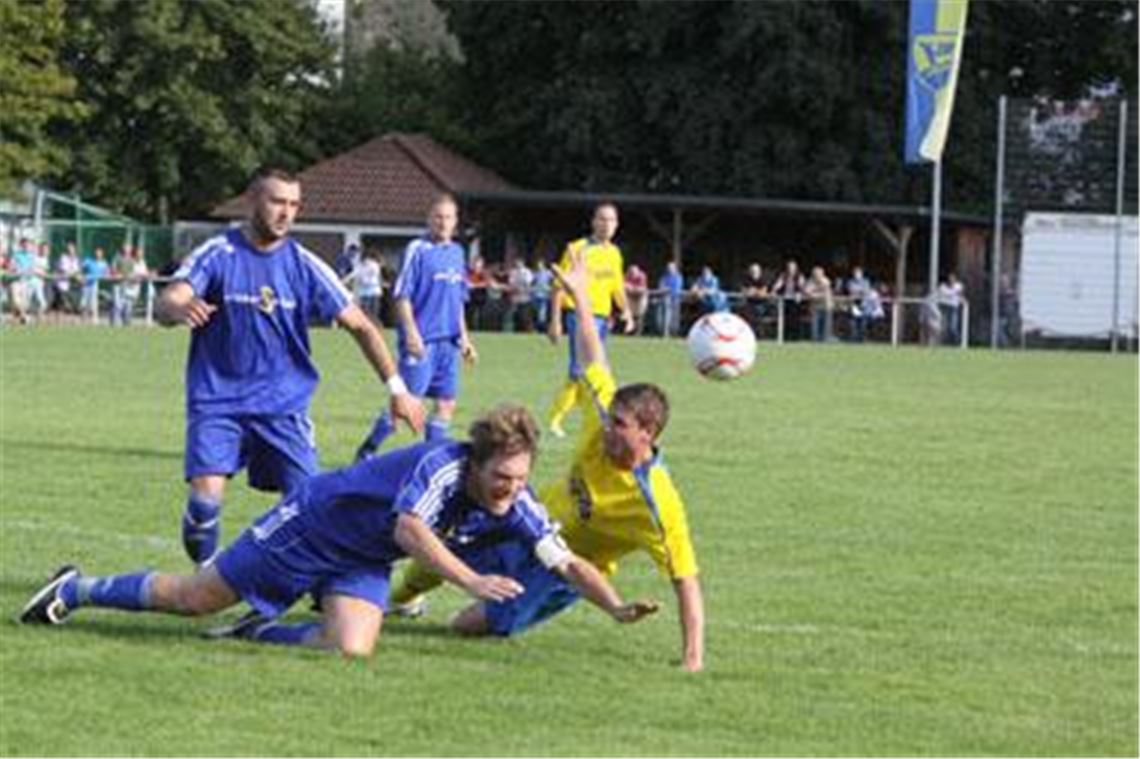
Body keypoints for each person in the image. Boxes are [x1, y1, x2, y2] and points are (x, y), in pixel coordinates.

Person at [19, 406, 658, 658]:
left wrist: (615, 607)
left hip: (362, 557)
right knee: (194, 599)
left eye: (520, 480)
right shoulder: (443, 466)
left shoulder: (513, 502)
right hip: (314, 527)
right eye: (502, 477)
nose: (509, 491)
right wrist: (469, 578)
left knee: (350, 647)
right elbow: (411, 528)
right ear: (478, 461)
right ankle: (79, 588)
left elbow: (566, 559)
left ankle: (259, 629)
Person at [390, 248, 706, 672]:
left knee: (468, 627)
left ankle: (475, 612)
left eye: (621, 424)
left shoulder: (658, 503)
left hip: (566, 570)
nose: (608, 428)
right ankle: (401, 599)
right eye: (610, 419)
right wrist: (579, 296)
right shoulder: (601, 419)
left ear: (647, 434)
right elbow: (595, 358)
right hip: (527, 519)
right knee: (451, 539)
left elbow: (685, 581)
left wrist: (692, 659)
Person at [156, 167, 424, 567]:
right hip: (218, 402)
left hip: (283, 406)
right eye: (277, 201)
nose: (286, 213)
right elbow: (167, 301)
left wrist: (398, 390)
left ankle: (310, 585)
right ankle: (205, 583)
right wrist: (179, 306)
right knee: (204, 507)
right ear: (252, 201)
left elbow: (362, 326)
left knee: (308, 507)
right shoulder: (219, 253)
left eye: (294, 205)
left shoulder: (303, 264)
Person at [355, 194, 476, 460]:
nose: (443, 223)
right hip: (422, 342)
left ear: (455, 222)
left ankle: (430, 458)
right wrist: (411, 333)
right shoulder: (417, 249)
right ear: (429, 219)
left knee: (446, 404)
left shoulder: (457, 253)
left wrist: (465, 339)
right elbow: (402, 295)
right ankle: (368, 449)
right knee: (406, 403)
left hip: (448, 343)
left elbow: (458, 301)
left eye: (448, 218)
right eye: (438, 217)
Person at [546, 202, 634, 438]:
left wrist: (626, 311)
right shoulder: (577, 249)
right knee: (579, 370)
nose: (607, 225)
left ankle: (596, 417)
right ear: (593, 222)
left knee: (595, 369)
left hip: (602, 317)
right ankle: (556, 420)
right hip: (578, 313)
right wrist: (555, 320)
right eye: (602, 219)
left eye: (611, 220)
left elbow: (617, 285)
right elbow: (558, 286)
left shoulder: (614, 253)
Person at [771, 259, 806, 341]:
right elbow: (778, 284)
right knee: (785, 319)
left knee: (795, 319)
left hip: (795, 300)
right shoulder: (784, 276)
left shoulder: (799, 276)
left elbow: (803, 287)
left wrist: (800, 293)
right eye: (789, 267)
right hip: (785, 300)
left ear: (795, 268)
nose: (791, 269)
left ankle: (795, 337)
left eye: (792, 267)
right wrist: (773, 291)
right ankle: (785, 337)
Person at [804, 265, 834, 342]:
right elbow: (807, 292)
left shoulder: (826, 281)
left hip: (826, 306)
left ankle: (826, 339)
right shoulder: (811, 281)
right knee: (815, 325)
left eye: (819, 274)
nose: (817, 275)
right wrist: (816, 294)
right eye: (815, 274)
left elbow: (825, 294)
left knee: (826, 325)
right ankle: (815, 340)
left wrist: (814, 294)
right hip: (815, 307)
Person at [353, 249, 383, 324]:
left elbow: (374, 276)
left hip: (374, 291)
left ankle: (375, 325)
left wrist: (364, 280)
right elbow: (354, 274)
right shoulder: (360, 266)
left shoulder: (374, 265)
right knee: (365, 311)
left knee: (374, 312)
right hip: (364, 292)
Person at [504, 258, 534, 333]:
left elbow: (528, 283)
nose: (518, 264)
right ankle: (515, 330)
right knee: (515, 315)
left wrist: (522, 288)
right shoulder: (513, 272)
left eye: (520, 263)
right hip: (515, 298)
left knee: (525, 315)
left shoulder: (527, 272)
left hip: (525, 297)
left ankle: (527, 330)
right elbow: (511, 283)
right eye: (517, 263)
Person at [81, 246, 110, 320]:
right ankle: (84, 318)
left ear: (102, 254)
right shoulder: (89, 260)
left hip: (95, 283)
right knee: (84, 301)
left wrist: (105, 274)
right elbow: (81, 268)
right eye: (97, 252)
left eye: (100, 253)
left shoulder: (104, 263)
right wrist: (81, 277)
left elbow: (107, 273)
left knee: (93, 301)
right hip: (86, 283)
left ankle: (94, 318)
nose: (98, 254)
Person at [656, 261, 684, 337]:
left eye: (671, 268)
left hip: (674, 299)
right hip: (664, 299)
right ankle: (663, 331)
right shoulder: (664, 277)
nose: (669, 269)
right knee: (660, 315)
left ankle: (671, 332)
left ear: (675, 268)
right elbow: (661, 287)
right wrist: (665, 289)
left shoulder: (678, 277)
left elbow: (676, 289)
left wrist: (667, 289)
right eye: (668, 268)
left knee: (673, 317)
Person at [52, 241, 81, 314]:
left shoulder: (76, 259)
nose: (70, 250)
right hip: (61, 284)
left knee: (71, 305)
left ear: (75, 249)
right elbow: (64, 270)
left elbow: (76, 270)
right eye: (68, 248)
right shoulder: (63, 257)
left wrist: (77, 276)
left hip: (70, 285)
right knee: (63, 305)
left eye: (72, 248)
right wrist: (75, 275)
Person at [845, 266, 871, 342]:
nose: (857, 274)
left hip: (863, 305)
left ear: (861, 274)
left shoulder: (866, 281)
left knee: (863, 323)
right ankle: (854, 339)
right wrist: (859, 292)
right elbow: (851, 290)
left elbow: (866, 291)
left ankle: (862, 339)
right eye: (855, 273)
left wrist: (859, 292)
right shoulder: (850, 282)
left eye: (858, 273)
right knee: (853, 322)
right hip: (854, 304)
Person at [938, 272, 964, 345]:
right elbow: (941, 296)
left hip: (954, 308)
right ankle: (944, 343)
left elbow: (960, 295)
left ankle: (957, 342)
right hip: (945, 308)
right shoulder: (943, 287)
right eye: (950, 279)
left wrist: (961, 298)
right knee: (944, 327)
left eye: (952, 279)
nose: (951, 280)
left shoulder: (958, 286)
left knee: (953, 327)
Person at [740, 262, 768, 329]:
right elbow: (743, 291)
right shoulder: (746, 280)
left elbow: (763, 293)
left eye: (755, 271)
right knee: (744, 312)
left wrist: (753, 291)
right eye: (752, 271)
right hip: (749, 303)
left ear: (759, 271)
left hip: (761, 304)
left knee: (757, 312)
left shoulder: (763, 280)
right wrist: (754, 291)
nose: (754, 272)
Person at [623, 264, 649, 335]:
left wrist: (632, 288)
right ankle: (628, 331)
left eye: (633, 273)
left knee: (639, 314)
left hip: (640, 297)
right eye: (631, 273)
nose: (632, 275)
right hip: (631, 296)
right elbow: (623, 286)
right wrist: (628, 287)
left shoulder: (642, 276)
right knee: (628, 313)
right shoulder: (627, 276)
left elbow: (642, 289)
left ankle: (638, 331)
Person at [532, 259, 554, 332]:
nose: (539, 266)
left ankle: (542, 329)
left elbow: (553, 281)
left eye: (540, 264)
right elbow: (532, 282)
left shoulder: (548, 273)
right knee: (537, 312)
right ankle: (539, 327)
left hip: (544, 295)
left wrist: (550, 289)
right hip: (536, 295)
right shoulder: (536, 273)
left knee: (542, 313)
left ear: (543, 265)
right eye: (538, 264)